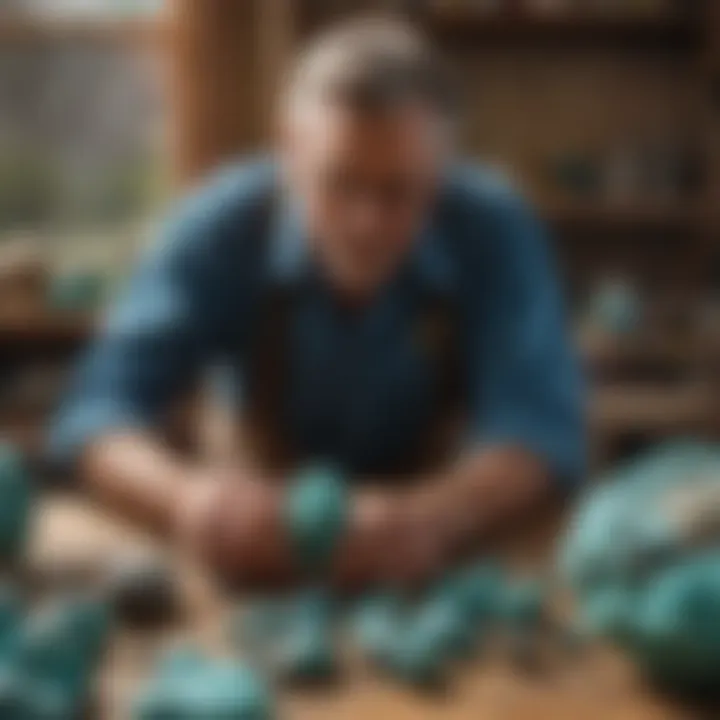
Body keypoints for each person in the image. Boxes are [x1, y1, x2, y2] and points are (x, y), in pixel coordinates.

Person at [50, 17, 585, 589]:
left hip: (433, 550)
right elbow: (96, 416)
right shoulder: (217, 229)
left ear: (442, 167)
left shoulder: (494, 229)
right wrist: (188, 501)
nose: (366, 223)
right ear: (290, 150)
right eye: (340, 183)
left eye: (398, 191)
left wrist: (439, 516)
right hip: (254, 549)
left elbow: (542, 430)